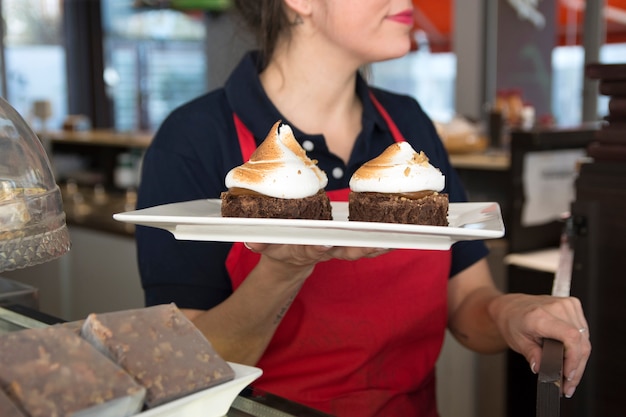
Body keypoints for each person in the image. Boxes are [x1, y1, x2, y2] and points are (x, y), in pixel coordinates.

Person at [135, 1, 591, 416]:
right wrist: (285, 268)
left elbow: (469, 303)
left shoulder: (409, 126)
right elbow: (188, 371)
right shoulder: (192, 141)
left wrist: (512, 313)